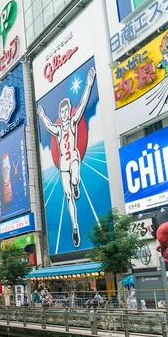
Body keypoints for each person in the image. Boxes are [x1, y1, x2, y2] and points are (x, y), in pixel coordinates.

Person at [36, 67, 96, 248]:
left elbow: (84, 102)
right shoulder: (58, 129)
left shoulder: (73, 121)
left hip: (74, 158)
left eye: (66, 111)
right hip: (63, 163)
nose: (63, 115)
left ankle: (76, 183)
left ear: (68, 111)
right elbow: (47, 126)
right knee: (68, 196)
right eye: (61, 113)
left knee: (75, 179)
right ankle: (75, 228)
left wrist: (89, 83)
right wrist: (42, 115)